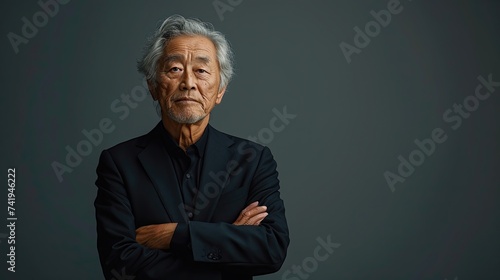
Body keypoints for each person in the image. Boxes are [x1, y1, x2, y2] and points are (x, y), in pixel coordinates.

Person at [94, 15, 289, 279]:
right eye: (174, 69)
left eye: (202, 70)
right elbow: (119, 264)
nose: (188, 82)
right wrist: (226, 245)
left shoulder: (253, 159)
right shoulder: (119, 163)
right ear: (153, 86)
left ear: (219, 90)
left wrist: (175, 235)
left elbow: (271, 249)